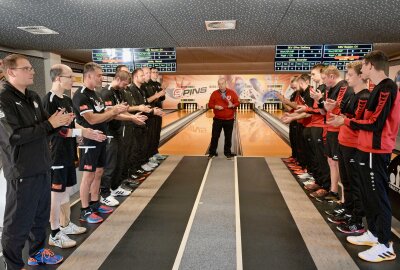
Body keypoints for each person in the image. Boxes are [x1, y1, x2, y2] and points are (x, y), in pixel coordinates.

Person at [0, 54, 71, 268]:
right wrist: (50, 124)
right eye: (27, 68)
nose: (33, 71)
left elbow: (43, 129)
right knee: (17, 223)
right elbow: (13, 136)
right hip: (22, 171)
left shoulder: (32, 96)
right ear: (11, 72)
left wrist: (59, 123)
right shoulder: (3, 99)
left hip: (42, 166)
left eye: (32, 67)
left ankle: (37, 252)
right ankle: (13, 265)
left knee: (40, 218)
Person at [328, 50, 400, 262]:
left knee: (378, 197)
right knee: (369, 196)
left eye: (364, 66)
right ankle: (375, 234)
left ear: (369, 66)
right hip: (366, 148)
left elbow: (376, 123)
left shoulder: (387, 87)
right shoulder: (378, 88)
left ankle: (385, 245)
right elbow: (365, 118)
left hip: (376, 151)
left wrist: (346, 122)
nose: (362, 69)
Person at [43, 64, 107, 248]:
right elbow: (57, 130)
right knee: (56, 194)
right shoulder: (50, 100)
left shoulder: (66, 99)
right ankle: (54, 233)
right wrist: (82, 134)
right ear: (57, 78)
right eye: (70, 77)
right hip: (56, 153)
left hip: (68, 152)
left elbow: (72, 125)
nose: (73, 80)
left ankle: (65, 224)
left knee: (64, 192)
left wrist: (87, 131)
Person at [72, 62, 128, 224]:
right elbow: (92, 119)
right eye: (98, 75)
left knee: (98, 173)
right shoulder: (81, 95)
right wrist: (112, 111)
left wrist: (115, 110)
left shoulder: (95, 94)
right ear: (88, 76)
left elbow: (104, 115)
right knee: (88, 176)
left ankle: (95, 204)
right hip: (89, 141)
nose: (101, 78)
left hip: (101, 139)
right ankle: (85, 210)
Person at [99, 70, 147, 207]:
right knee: (110, 165)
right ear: (118, 79)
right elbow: (111, 114)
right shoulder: (106, 92)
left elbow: (122, 110)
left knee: (119, 161)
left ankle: (115, 187)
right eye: (125, 84)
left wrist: (134, 116)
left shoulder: (119, 92)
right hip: (109, 133)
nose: (126, 87)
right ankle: (105, 194)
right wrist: (132, 118)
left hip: (118, 131)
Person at [208, 78, 239, 159]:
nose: (221, 85)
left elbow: (237, 103)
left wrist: (232, 105)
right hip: (218, 119)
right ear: (218, 84)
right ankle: (212, 152)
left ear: (225, 84)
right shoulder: (214, 93)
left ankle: (227, 152)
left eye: (222, 84)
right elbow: (210, 104)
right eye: (219, 84)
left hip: (229, 119)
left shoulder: (232, 93)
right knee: (214, 136)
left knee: (228, 137)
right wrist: (216, 106)